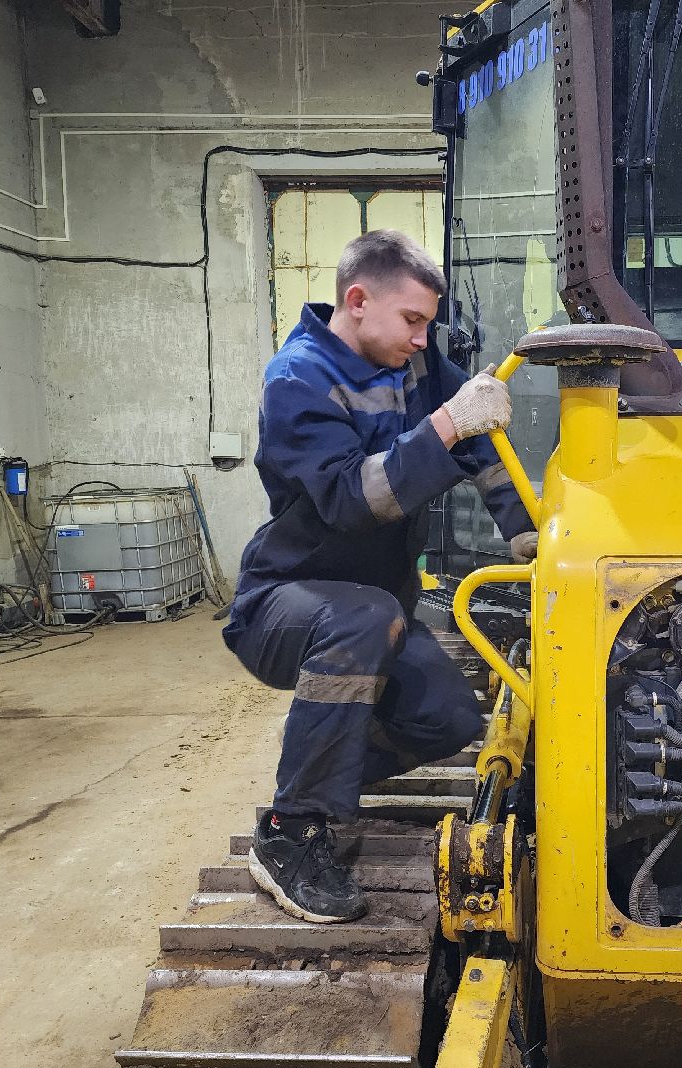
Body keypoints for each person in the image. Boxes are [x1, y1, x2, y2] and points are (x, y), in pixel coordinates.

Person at [222, 230, 536, 923]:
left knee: (449, 718)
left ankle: (319, 768)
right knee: (364, 616)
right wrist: (446, 426)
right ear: (358, 301)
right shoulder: (297, 381)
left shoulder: (415, 369)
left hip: (374, 611)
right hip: (285, 605)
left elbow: (480, 441)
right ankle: (290, 830)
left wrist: (527, 533)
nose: (424, 340)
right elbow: (352, 502)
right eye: (413, 320)